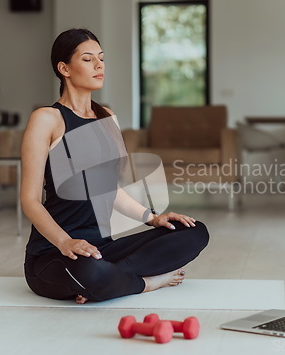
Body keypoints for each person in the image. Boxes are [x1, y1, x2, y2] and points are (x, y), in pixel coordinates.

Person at [21, 28, 209, 304]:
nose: (99, 65)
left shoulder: (107, 117)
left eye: (101, 58)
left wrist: (152, 218)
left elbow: (110, 189)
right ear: (64, 68)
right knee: (89, 270)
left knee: (194, 232)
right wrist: (65, 242)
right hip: (54, 254)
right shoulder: (47, 119)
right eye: (87, 59)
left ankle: (106, 280)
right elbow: (29, 200)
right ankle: (144, 283)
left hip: (101, 249)